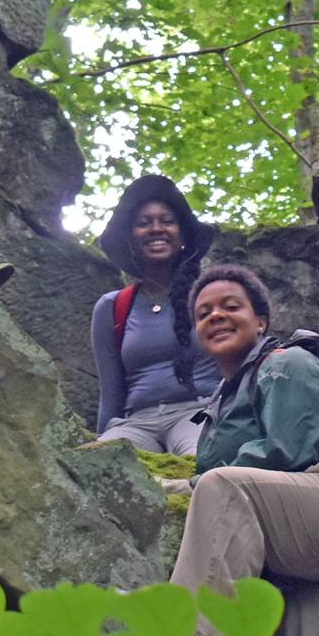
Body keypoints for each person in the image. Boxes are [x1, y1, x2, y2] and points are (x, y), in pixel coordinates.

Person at [168, 264, 319, 636]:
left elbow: (286, 450)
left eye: (230, 306)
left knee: (223, 487)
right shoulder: (223, 401)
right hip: (310, 553)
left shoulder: (286, 362)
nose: (215, 316)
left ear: (260, 322)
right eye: (203, 314)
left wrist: (189, 485)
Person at [89, 175, 220, 455]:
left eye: (167, 221)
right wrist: (99, 444)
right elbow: (110, 395)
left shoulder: (211, 296)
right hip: (135, 423)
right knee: (99, 468)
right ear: (130, 239)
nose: (156, 229)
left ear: (183, 235)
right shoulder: (113, 307)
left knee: (198, 462)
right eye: (143, 223)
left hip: (200, 413)